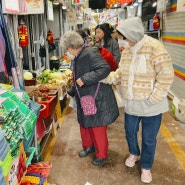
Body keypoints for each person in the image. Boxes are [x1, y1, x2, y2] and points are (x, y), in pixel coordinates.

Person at [104, 17, 174, 183]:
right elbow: (122, 72)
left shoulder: (155, 47)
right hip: (132, 103)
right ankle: (135, 153)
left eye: (123, 37)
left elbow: (166, 76)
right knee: (129, 132)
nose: (121, 41)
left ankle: (146, 167)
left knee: (149, 139)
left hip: (152, 105)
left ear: (132, 35)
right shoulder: (128, 50)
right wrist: (108, 78)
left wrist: (153, 98)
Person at [60, 31, 119, 166]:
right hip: (86, 96)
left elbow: (104, 69)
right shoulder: (79, 56)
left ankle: (101, 154)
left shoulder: (89, 54)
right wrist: (71, 91)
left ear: (72, 46)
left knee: (97, 125)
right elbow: (78, 78)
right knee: (85, 123)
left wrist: (85, 79)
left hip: (96, 97)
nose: (67, 52)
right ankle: (89, 146)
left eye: (67, 49)